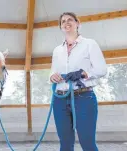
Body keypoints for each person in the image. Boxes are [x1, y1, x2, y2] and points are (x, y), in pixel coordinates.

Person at [49, 12, 107, 151]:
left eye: (70, 20)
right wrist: (52, 77)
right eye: (63, 21)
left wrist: (83, 73)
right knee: (65, 144)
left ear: (77, 23)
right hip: (60, 98)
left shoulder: (89, 44)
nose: (66, 23)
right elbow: (52, 72)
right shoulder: (57, 50)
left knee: (87, 142)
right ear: (60, 26)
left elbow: (102, 69)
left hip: (83, 97)